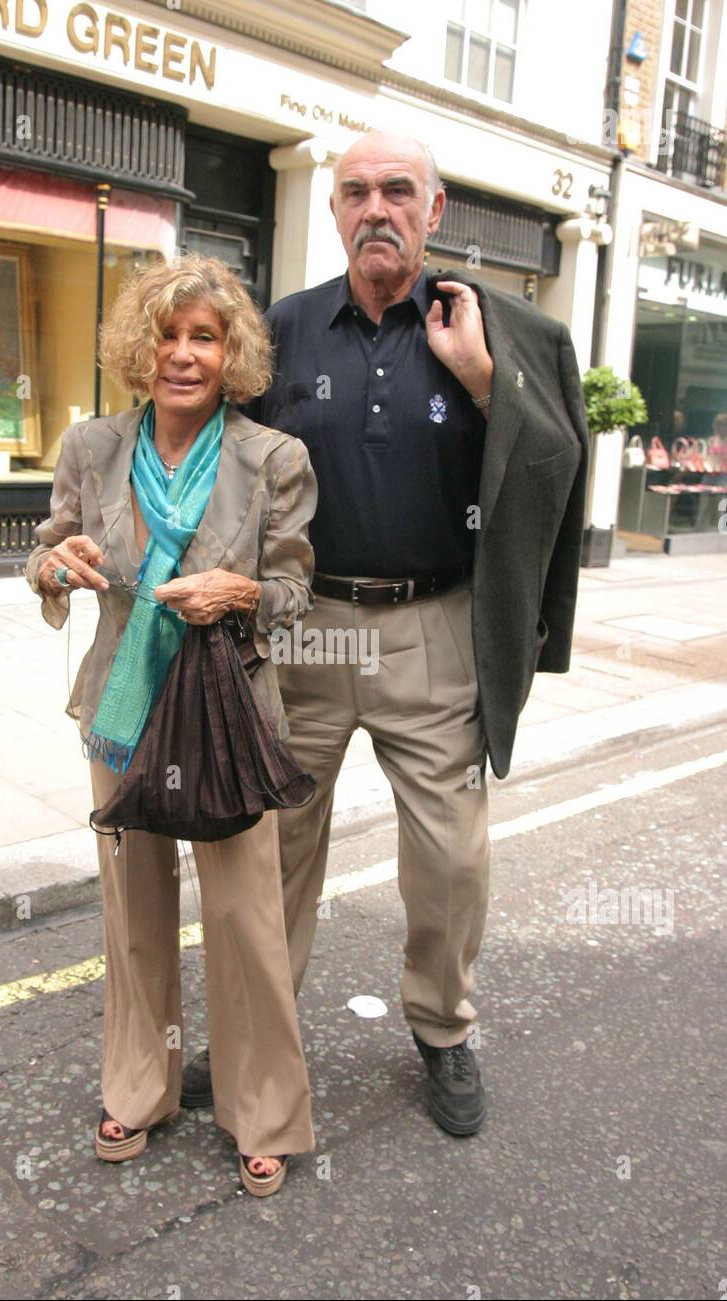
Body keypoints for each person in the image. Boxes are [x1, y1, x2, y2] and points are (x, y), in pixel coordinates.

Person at [181, 132, 589, 1138]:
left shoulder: (492, 328)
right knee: (272, 848)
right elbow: (216, 464)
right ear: (331, 208)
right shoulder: (279, 332)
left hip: (434, 632)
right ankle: (250, 1030)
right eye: (355, 191)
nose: (377, 208)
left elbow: (555, 467)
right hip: (307, 632)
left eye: (397, 191)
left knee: (451, 855)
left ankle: (443, 1029)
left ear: (434, 210)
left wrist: (483, 380)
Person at [24, 254, 318, 1197]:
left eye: (204, 336)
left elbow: (295, 592)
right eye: (167, 334)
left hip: (227, 715)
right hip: (121, 710)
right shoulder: (91, 447)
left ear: (230, 353)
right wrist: (55, 567)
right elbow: (50, 552)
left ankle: (261, 1108)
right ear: (137, 346)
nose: (182, 354)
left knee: (243, 919)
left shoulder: (273, 458)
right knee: (134, 916)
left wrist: (240, 593)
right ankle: (139, 1088)